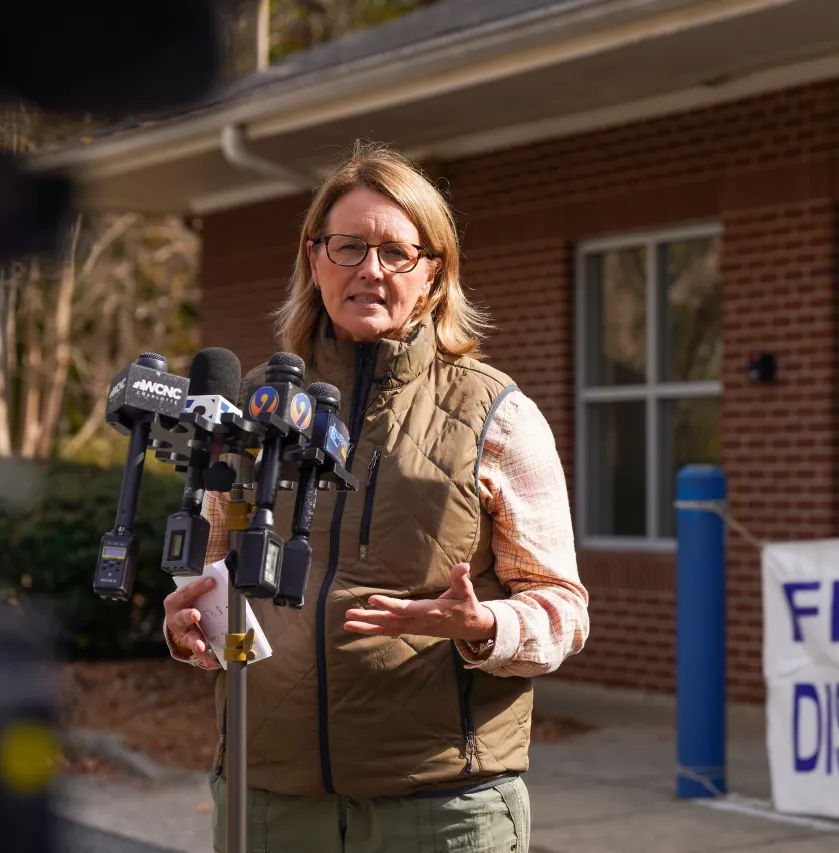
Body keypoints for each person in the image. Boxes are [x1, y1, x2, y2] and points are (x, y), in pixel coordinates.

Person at [160, 142, 589, 853]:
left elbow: (562, 610)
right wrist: (190, 630)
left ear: (433, 272)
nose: (371, 269)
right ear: (314, 258)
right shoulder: (253, 406)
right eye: (349, 246)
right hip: (268, 802)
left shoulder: (499, 415)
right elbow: (213, 574)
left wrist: (482, 625)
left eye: (396, 252)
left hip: (439, 807)